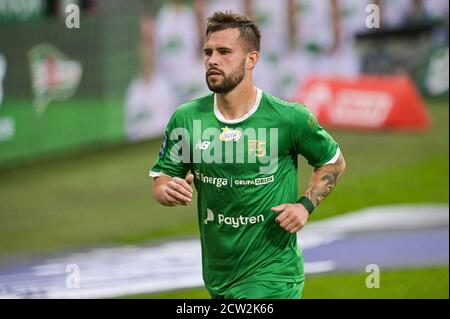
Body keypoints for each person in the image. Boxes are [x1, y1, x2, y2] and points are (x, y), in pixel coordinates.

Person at [149, 11, 346, 299]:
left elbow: (333, 161)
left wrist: (305, 206)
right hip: (219, 276)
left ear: (251, 59)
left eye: (224, 52)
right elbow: (162, 177)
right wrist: (166, 190)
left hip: (273, 275)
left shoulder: (289, 118)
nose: (212, 60)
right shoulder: (187, 118)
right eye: (208, 52)